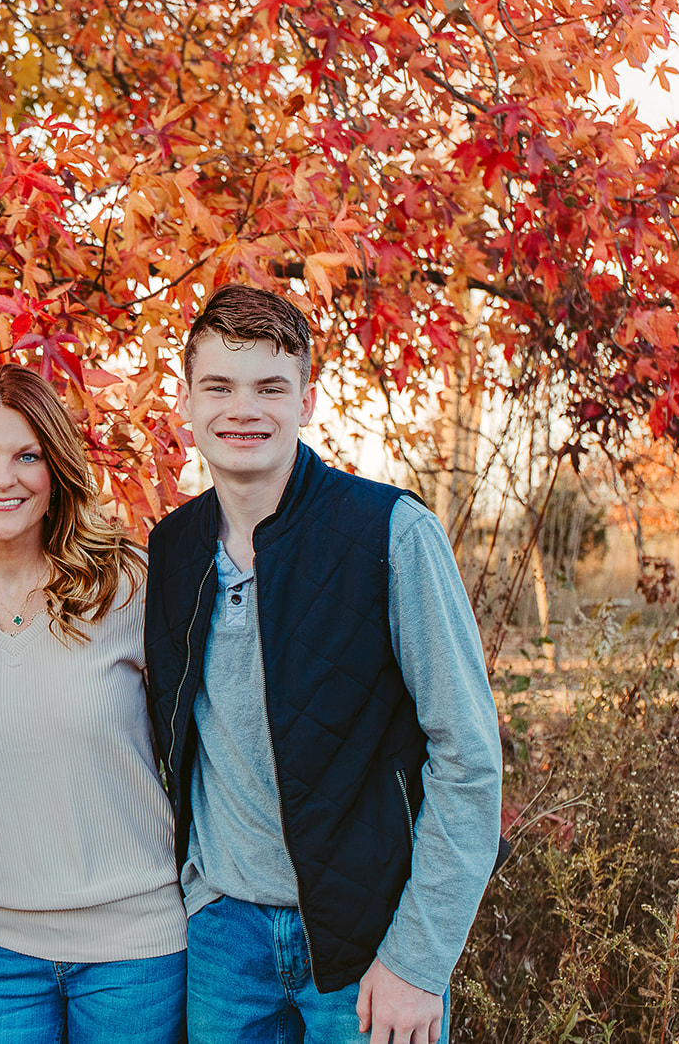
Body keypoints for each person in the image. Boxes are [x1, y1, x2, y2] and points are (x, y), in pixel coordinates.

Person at [144, 286, 503, 1044]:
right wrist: (198, 897)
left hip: (369, 943)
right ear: (186, 402)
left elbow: (467, 757)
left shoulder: (390, 534)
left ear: (307, 400)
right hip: (223, 943)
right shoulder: (172, 550)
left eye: (271, 387)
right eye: (219, 386)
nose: (244, 409)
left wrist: (417, 958)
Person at [0, 364, 187, 1044]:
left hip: (135, 951)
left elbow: (206, 736)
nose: (5, 478)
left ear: (56, 469)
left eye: (27, 455)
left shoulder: (126, 584)